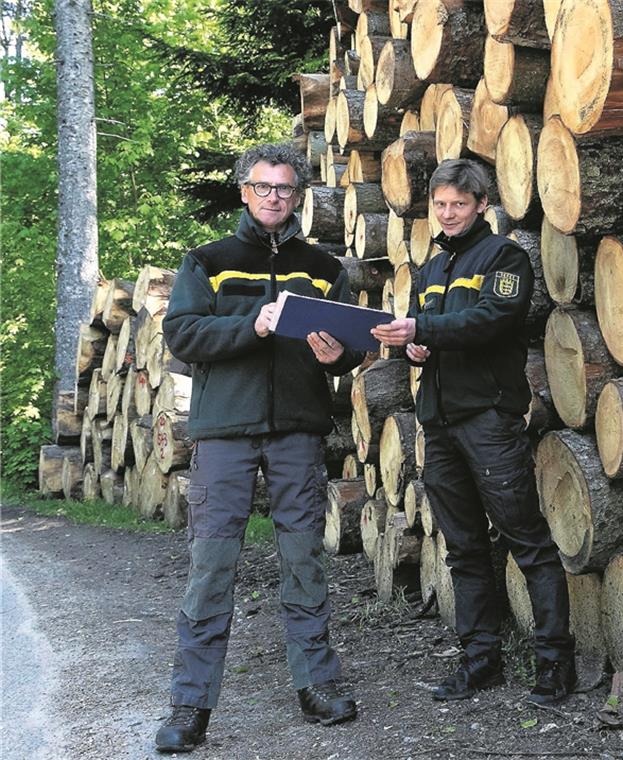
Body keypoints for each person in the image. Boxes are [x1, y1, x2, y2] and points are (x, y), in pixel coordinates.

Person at [155, 143, 363, 753]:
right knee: (212, 566)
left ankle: (317, 685)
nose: (275, 197)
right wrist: (255, 325)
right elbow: (183, 334)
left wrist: (340, 355)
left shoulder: (323, 267)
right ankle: (190, 705)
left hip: (298, 429)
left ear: (299, 196)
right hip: (224, 434)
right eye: (264, 187)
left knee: (304, 560)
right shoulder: (207, 261)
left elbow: (351, 344)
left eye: (286, 189)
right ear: (245, 192)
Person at [372, 159, 576, 705]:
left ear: (481, 205)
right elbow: (430, 336)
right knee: (463, 548)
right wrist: (416, 347)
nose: (448, 213)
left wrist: (425, 329)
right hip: (438, 425)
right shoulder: (432, 268)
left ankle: (556, 663)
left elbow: (494, 320)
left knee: (526, 541)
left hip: (489, 420)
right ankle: (480, 660)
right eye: (440, 205)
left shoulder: (505, 257)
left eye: (458, 205)